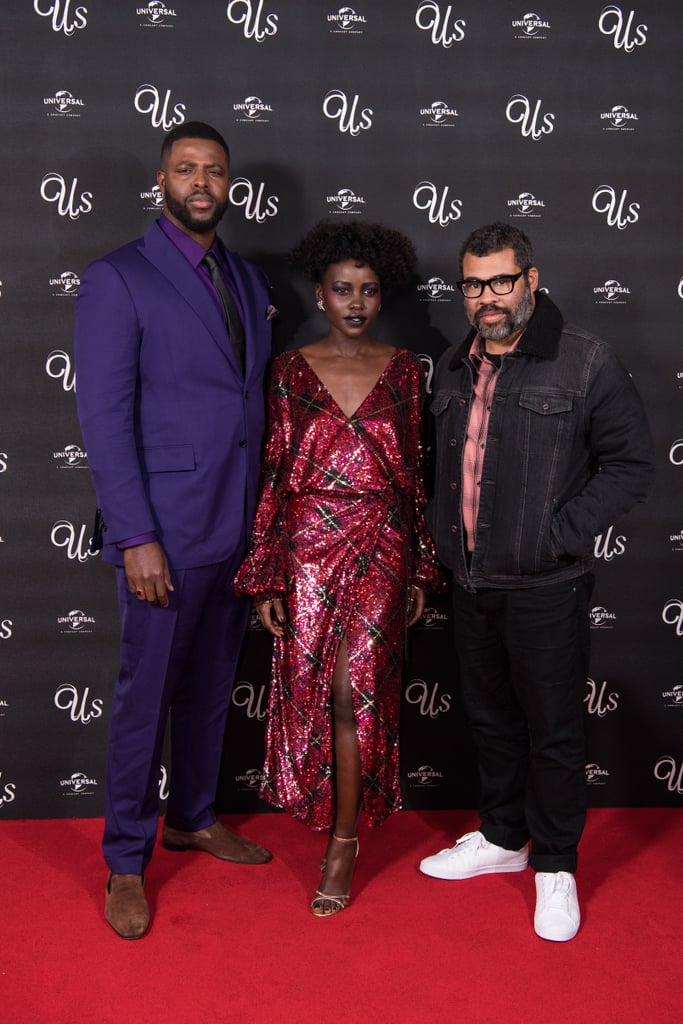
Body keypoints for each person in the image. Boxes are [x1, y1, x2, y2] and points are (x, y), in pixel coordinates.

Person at [419, 222, 654, 941]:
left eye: (498, 281)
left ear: (529, 279)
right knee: (489, 720)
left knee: (552, 732)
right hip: (469, 581)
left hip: (546, 586)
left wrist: (552, 537)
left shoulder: (583, 362)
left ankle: (554, 864)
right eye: (471, 284)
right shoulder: (453, 366)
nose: (485, 298)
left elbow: (629, 464)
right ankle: (501, 837)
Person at [74, 121, 275, 940]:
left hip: (234, 525)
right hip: (162, 532)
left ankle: (192, 815)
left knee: (208, 689)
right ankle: (126, 857)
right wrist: (134, 536)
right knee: (142, 699)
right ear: (163, 179)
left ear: (229, 185)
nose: (201, 181)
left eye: (215, 171)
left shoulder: (246, 276)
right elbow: (104, 417)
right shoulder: (118, 278)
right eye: (186, 168)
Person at [234, 220, 440, 917]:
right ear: (319, 294)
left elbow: (415, 478)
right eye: (342, 289)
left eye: (368, 290)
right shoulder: (290, 373)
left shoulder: (406, 370)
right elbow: (272, 476)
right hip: (308, 550)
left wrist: (418, 568)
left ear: (381, 297)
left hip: (381, 543)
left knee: (357, 697)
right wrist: (265, 574)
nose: (355, 301)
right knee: (315, 695)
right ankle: (333, 822)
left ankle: (342, 843)